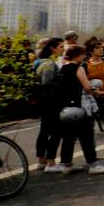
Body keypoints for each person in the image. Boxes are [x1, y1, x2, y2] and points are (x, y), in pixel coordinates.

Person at [52, 45, 104, 175]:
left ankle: (66, 163)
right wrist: (95, 89)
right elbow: (86, 87)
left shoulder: (63, 68)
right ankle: (93, 164)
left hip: (67, 108)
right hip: (80, 107)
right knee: (86, 136)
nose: (84, 56)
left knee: (69, 137)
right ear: (78, 55)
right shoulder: (78, 68)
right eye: (83, 54)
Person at [34, 37, 64, 170]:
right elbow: (47, 85)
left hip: (42, 102)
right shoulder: (49, 64)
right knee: (56, 131)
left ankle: (41, 160)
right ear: (52, 48)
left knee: (44, 131)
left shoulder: (38, 62)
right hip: (50, 103)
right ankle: (51, 162)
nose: (63, 49)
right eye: (61, 47)